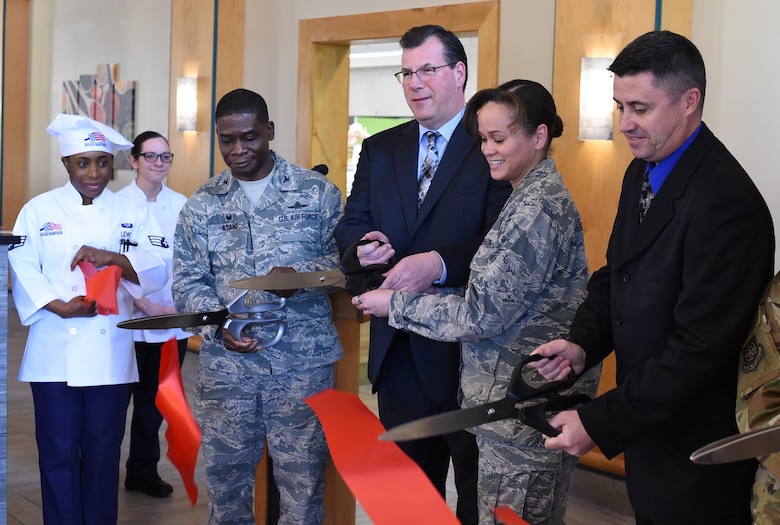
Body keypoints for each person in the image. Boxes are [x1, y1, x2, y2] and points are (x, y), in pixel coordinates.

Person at [532, 30, 775, 525]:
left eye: (639, 108)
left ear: (690, 101)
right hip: (650, 431)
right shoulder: (642, 170)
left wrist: (599, 422)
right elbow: (616, 274)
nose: (624, 124)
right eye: (619, 106)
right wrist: (582, 342)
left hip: (696, 447)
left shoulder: (726, 203)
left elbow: (698, 349)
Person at [352, 79, 600, 524]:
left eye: (498, 138)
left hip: (519, 416)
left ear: (539, 136)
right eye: (483, 139)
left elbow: (480, 315)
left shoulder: (535, 210)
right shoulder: (524, 197)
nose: (487, 149)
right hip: (506, 410)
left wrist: (398, 304)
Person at [334, 25, 512, 524]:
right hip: (399, 354)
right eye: (407, 72)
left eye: (427, 70)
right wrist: (361, 247)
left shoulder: (491, 148)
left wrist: (438, 263)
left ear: (459, 73)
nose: (415, 83)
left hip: (471, 357)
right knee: (410, 500)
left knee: (478, 499)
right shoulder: (381, 148)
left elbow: (501, 240)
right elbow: (352, 221)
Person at [172, 88, 344, 524]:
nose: (237, 150)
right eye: (226, 140)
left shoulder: (317, 193)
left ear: (269, 130)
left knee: (303, 490)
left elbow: (346, 265)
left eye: (248, 137)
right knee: (227, 489)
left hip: (301, 368)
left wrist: (302, 275)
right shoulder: (201, 204)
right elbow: (187, 281)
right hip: (226, 371)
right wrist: (217, 326)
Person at [9, 114, 171, 524]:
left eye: (103, 162)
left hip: (109, 351)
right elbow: (22, 264)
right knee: (58, 452)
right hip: (54, 349)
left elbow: (159, 267)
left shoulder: (129, 211)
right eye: (83, 163)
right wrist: (57, 304)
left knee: (102, 453)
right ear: (66, 164)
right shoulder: (38, 209)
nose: (94, 173)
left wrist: (114, 257)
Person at [117, 131, 190, 498]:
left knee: (155, 401)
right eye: (151, 156)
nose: (159, 163)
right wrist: (144, 304)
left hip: (170, 320)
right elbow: (110, 265)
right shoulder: (114, 205)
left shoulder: (182, 205)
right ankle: (95, 467)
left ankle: (142, 472)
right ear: (134, 161)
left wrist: (178, 305)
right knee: (115, 400)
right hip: (127, 320)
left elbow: (190, 261)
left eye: (165, 157)